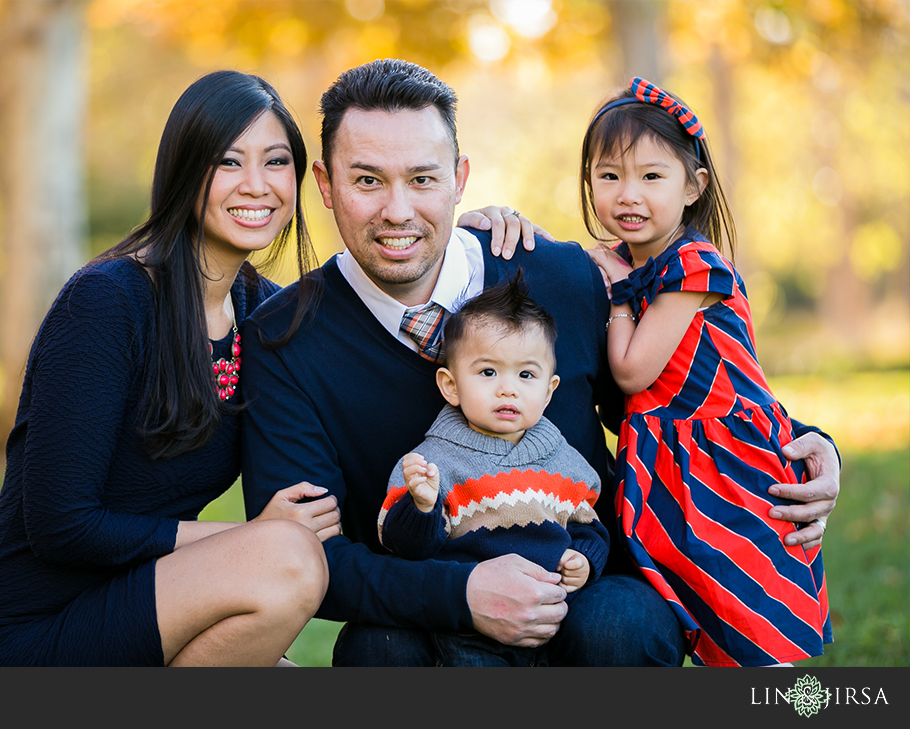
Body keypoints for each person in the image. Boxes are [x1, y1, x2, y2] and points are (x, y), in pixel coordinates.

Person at [240, 58, 841, 666]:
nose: (398, 211)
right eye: (367, 180)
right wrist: (463, 594)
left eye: (423, 179)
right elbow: (309, 558)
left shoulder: (559, 278)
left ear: (459, 177)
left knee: (623, 624)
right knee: (378, 650)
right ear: (324, 183)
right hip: (426, 603)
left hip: (584, 579)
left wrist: (810, 446)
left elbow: (681, 393)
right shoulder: (284, 341)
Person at [0, 71, 344, 667]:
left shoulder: (264, 311)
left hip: (138, 610)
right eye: (228, 162)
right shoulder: (106, 302)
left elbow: (371, 321)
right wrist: (246, 539)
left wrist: (461, 237)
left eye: (276, 162)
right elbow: (61, 524)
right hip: (21, 633)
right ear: (184, 169)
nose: (256, 185)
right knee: (288, 559)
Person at [583, 78, 831, 666]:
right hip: (676, 465)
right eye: (608, 175)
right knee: (710, 620)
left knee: (753, 623)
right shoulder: (627, 261)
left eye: (651, 176)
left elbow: (631, 371)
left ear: (693, 187)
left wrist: (616, 298)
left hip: (727, 462)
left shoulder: (693, 267)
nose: (628, 194)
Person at [377, 272, 610, 666]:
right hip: (469, 632)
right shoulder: (432, 465)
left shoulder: (567, 463)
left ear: (549, 390)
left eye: (526, 375)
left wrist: (584, 560)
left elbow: (589, 527)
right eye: (488, 373)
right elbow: (403, 548)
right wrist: (421, 507)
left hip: (551, 624)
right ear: (451, 386)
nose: (508, 389)